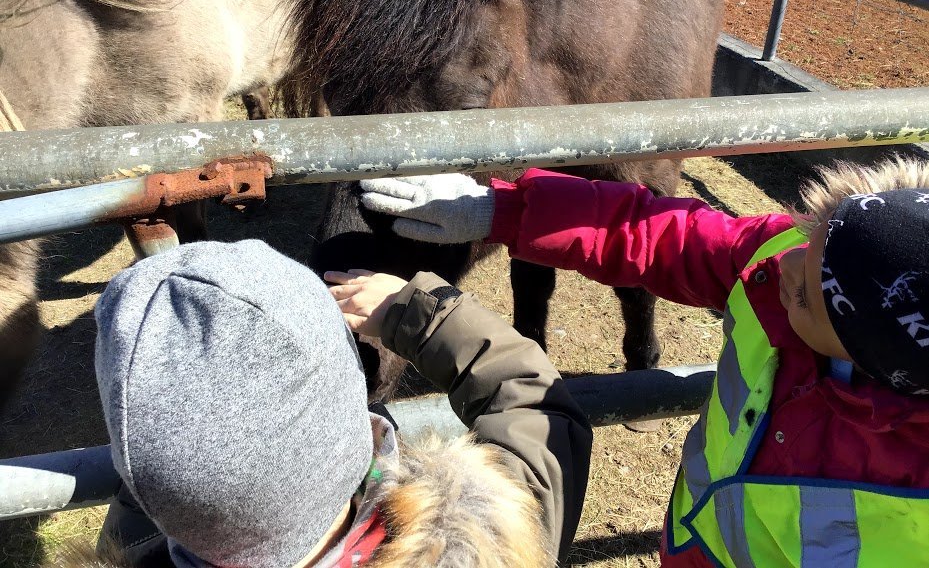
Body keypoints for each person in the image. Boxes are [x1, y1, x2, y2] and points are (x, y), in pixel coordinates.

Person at [357, 156, 929, 567]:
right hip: (691, 544)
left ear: (867, 355)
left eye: (805, 292)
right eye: (811, 239)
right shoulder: (789, 257)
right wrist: (504, 211)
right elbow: (667, 233)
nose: (786, 266)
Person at [81, 239, 591, 568]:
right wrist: (419, 315)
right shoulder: (491, 542)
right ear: (356, 425)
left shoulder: (150, 519)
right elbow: (535, 404)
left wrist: (149, 480)